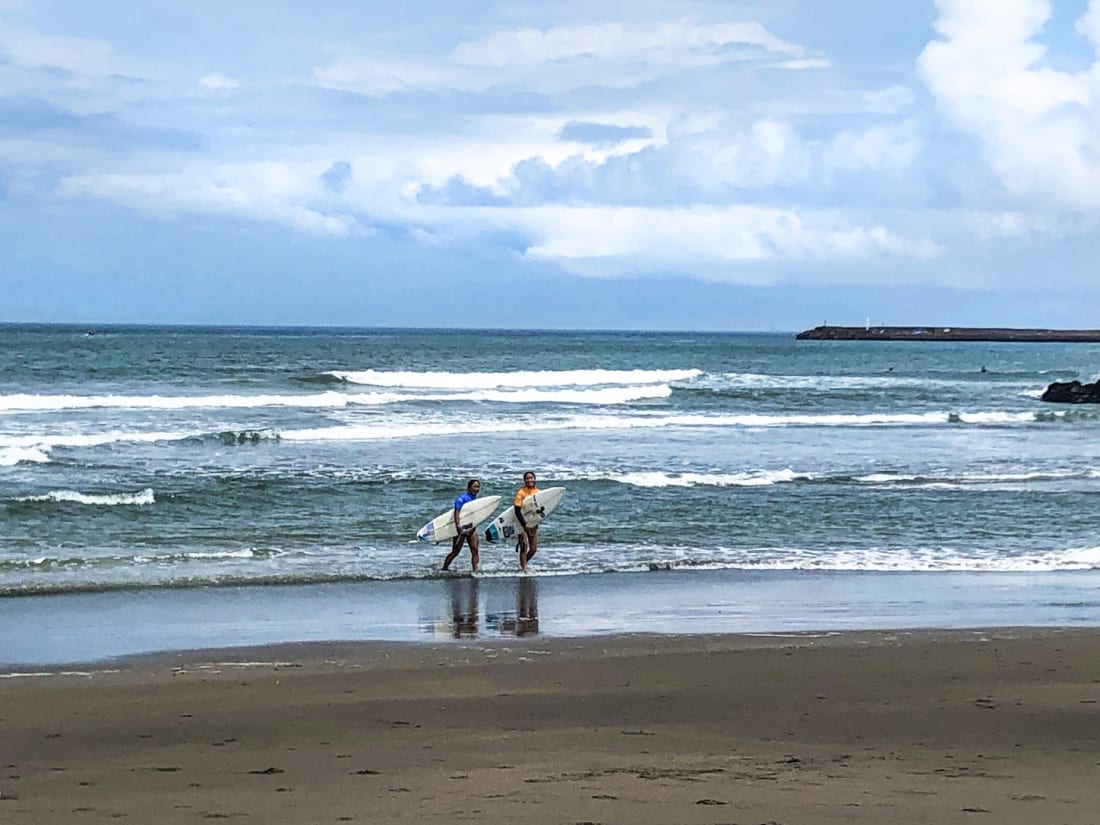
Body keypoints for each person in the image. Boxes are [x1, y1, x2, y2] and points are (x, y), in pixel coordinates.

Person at [442, 479, 481, 572]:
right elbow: (457, 512)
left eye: (478, 487)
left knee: (475, 550)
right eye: (475, 486)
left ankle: (475, 570)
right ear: (469, 488)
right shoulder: (461, 498)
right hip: (461, 528)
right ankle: (444, 568)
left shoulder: (475, 500)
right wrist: (458, 526)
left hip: (471, 528)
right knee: (455, 551)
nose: (477, 489)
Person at [512, 471, 540, 571]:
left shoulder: (538, 492)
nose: (529, 480)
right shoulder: (521, 492)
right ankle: (524, 568)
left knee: (533, 549)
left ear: (534, 479)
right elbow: (517, 510)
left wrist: (536, 521)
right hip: (521, 523)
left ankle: (522, 565)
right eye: (527, 478)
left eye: (531, 478)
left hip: (533, 522)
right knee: (524, 546)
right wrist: (524, 525)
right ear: (524, 480)